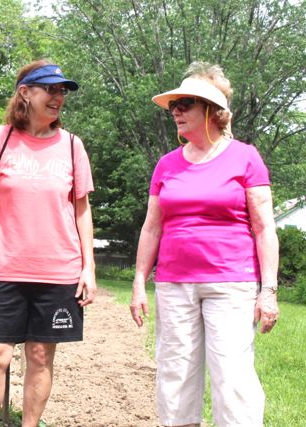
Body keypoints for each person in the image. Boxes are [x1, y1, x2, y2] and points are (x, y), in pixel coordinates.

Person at [129, 62, 279, 427]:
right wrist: (138, 282)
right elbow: (152, 228)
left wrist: (269, 290)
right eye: (174, 105)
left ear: (211, 112)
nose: (176, 111)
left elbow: (264, 228)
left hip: (231, 282)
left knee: (232, 376)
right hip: (174, 283)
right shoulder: (166, 165)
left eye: (185, 104)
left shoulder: (245, 157)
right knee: (175, 374)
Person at [0, 60, 97, 426]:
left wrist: (88, 267)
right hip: (5, 268)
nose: (59, 98)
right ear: (25, 92)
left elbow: (82, 210)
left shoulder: (72, 146)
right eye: (51, 90)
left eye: (62, 91)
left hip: (58, 270)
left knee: (40, 356)